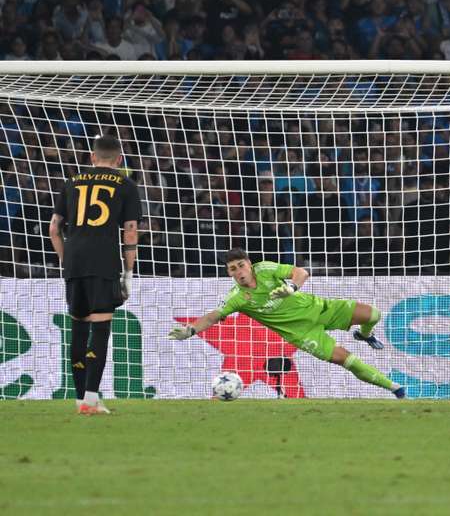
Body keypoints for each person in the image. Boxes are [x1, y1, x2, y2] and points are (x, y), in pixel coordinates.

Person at [167, 247, 405, 398]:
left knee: (373, 315)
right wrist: (190, 330)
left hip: (321, 308)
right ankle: (394, 388)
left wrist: (291, 288)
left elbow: (301, 272)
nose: (239, 271)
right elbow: (212, 316)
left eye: (241, 265)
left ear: (249, 264)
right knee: (346, 359)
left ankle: (365, 334)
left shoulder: (267, 269)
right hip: (302, 332)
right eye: (233, 269)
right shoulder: (237, 298)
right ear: (229, 274)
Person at [48, 134, 141, 415]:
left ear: (92, 157)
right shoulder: (126, 185)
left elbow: (54, 228)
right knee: (100, 328)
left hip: (75, 262)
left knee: (78, 326)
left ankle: (80, 399)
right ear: (120, 159)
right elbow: (131, 230)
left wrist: (67, 260)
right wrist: (128, 272)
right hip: (103, 262)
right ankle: (91, 398)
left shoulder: (71, 183)